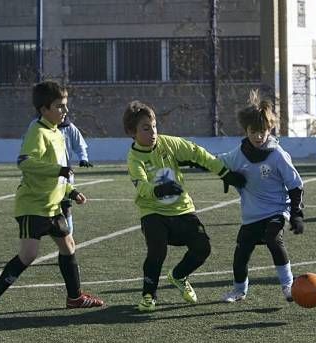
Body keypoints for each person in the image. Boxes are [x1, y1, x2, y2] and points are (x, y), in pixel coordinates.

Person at [0, 81, 105, 319]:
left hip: (54, 206)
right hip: (33, 205)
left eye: (65, 105)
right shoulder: (38, 131)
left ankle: (75, 298)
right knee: (28, 255)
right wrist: (58, 170)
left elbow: (61, 172)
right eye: (59, 106)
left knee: (69, 247)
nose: (64, 111)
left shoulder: (57, 132)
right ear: (44, 109)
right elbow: (24, 162)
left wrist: (71, 191)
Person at [123, 100, 246, 312]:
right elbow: (141, 185)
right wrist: (158, 190)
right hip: (153, 211)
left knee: (203, 248)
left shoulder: (168, 144)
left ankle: (178, 276)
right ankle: (148, 295)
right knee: (157, 251)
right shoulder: (134, 158)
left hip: (182, 210)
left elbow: (197, 153)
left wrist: (224, 173)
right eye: (146, 128)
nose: (153, 132)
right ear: (131, 132)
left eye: (154, 126)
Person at [218, 90, 304, 303]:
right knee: (240, 255)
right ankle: (239, 291)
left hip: (276, 211)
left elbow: (295, 185)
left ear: (270, 129)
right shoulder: (238, 154)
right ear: (245, 130)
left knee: (274, 240)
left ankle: (288, 286)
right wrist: (225, 174)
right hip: (251, 215)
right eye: (253, 131)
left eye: (263, 131)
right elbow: (215, 162)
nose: (258, 136)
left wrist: (296, 214)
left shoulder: (277, 155)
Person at [57, 117, 93, 233]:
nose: (63, 111)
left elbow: (79, 144)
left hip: (65, 174)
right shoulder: (39, 126)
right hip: (46, 174)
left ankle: (69, 235)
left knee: (66, 206)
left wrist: (83, 158)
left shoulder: (69, 127)